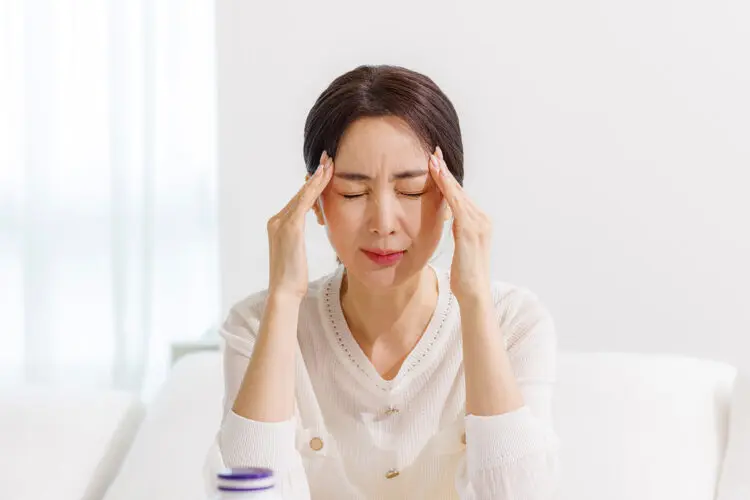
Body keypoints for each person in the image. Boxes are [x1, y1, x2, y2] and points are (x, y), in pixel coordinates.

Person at [204, 64, 560, 499]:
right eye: (353, 193)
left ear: (452, 198)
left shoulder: (513, 323)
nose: (384, 223)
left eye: (411, 190)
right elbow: (245, 491)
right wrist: (283, 298)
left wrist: (475, 302)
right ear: (314, 202)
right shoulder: (257, 324)